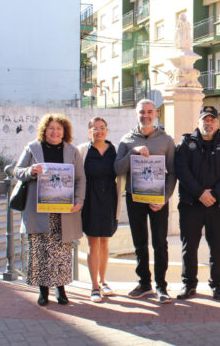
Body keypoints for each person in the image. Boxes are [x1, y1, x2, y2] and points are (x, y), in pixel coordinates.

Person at [14, 113, 85, 306]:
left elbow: (80, 178)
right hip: (38, 209)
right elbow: (17, 171)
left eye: (58, 129)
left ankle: (61, 289)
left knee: (62, 250)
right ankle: (43, 291)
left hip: (63, 209)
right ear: (45, 130)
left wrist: (79, 200)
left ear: (64, 132)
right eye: (51, 128)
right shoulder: (32, 148)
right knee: (40, 249)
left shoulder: (72, 151)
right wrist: (31, 171)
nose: (54, 132)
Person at [114, 99, 176, 304]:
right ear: (136, 114)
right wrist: (133, 152)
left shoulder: (166, 140)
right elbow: (117, 169)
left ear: (156, 113)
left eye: (150, 112)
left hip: (158, 200)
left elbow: (172, 172)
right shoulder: (126, 140)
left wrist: (165, 198)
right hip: (135, 198)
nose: (146, 115)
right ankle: (144, 283)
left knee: (160, 242)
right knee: (139, 242)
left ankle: (161, 286)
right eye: (142, 112)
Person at [175, 106, 220, 300]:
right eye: (205, 119)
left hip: (217, 205)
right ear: (199, 121)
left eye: (212, 119)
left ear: (217, 123)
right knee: (189, 246)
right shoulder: (187, 142)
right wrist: (200, 193)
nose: (208, 123)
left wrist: (216, 193)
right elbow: (181, 170)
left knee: (217, 246)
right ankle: (189, 284)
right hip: (191, 204)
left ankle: (217, 284)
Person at [77, 117, 121, 303]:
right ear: (89, 131)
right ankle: (94, 286)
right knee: (92, 242)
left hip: (109, 199)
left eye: (102, 128)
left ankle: (103, 281)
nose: (99, 131)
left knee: (105, 241)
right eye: (95, 128)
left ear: (107, 130)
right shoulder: (82, 151)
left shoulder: (114, 150)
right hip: (91, 200)